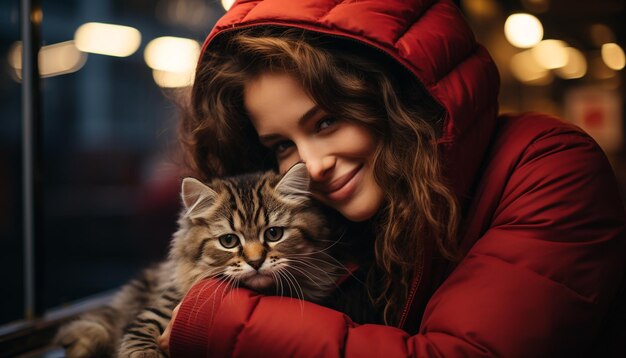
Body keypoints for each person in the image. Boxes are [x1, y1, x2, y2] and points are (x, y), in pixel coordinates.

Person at [158, 0, 626, 356]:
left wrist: (220, 319)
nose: (312, 165)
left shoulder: (550, 167)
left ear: (392, 101)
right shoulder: (329, 222)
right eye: (282, 145)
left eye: (326, 122)